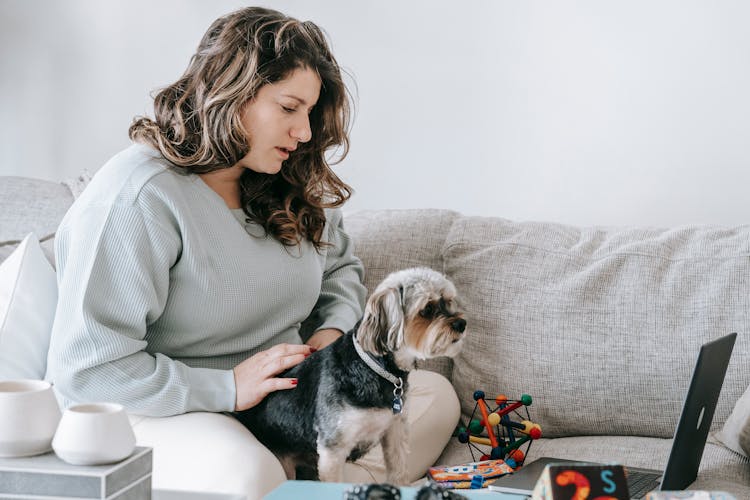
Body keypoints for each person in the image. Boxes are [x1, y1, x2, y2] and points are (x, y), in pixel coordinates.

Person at [46, 7, 459, 499]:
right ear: (230, 93)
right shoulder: (138, 196)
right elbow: (88, 370)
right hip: (177, 408)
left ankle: (322, 480)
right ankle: (312, 479)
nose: (304, 132)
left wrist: (331, 337)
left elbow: (341, 270)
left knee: (433, 397)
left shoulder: (287, 177)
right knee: (251, 476)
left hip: (295, 396)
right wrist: (227, 389)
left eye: (309, 112)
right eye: (289, 108)